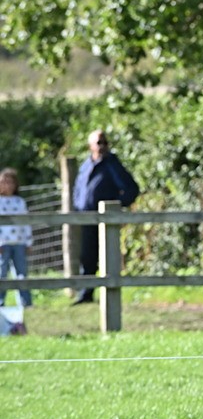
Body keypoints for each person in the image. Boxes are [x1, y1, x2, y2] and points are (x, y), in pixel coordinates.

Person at [72, 129, 140, 303]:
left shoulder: (112, 164)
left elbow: (131, 189)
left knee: (107, 257)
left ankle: (110, 295)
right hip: (86, 218)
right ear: (90, 146)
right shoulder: (85, 165)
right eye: (98, 143)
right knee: (87, 256)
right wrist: (78, 206)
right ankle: (86, 294)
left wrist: (115, 206)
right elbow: (79, 189)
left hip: (106, 220)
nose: (102, 146)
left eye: (105, 143)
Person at [0, 167, 33, 309]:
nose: (7, 185)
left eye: (10, 182)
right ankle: (0, 302)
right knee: (2, 273)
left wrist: (28, 242)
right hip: (3, 243)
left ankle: (26, 303)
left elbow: (26, 222)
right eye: (4, 182)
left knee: (22, 273)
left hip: (19, 242)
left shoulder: (19, 202)